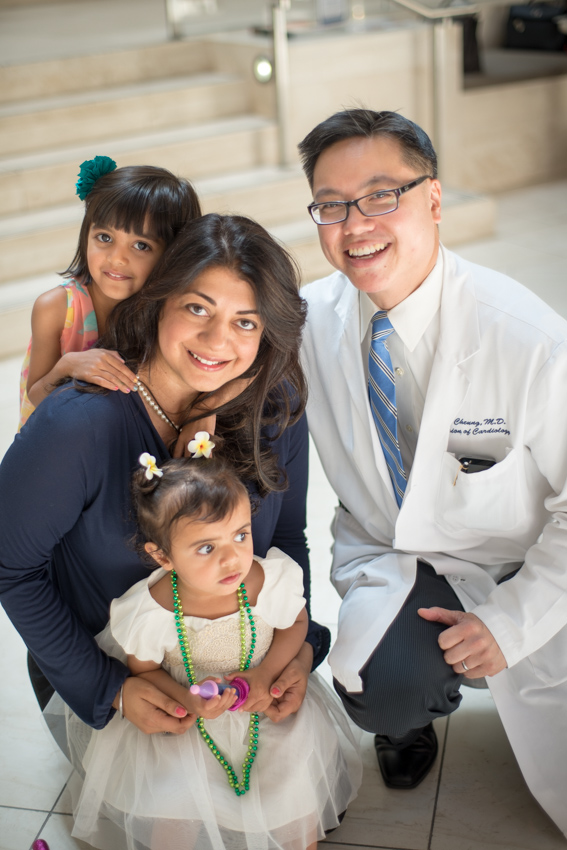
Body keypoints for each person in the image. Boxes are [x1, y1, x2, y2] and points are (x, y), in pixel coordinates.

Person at [298, 108, 567, 836]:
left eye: (382, 195)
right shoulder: (305, 322)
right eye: (331, 204)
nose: (356, 225)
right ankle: (405, 717)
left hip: (520, 564)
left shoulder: (525, 338)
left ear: (434, 199)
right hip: (395, 554)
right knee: (380, 683)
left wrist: (510, 622)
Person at [0, 212, 329, 739]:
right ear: (159, 300)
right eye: (197, 308)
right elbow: (9, 566)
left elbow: (287, 539)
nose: (216, 340)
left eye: (245, 321)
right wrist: (109, 687)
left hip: (245, 673)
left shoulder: (276, 402)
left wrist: (298, 647)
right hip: (110, 671)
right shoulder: (77, 424)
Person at [66, 451, 361, 850]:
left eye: (241, 534)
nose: (232, 557)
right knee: (175, 807)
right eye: (206, 548)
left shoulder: (264, 581)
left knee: (293, 793)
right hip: (190, 722)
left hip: (263, 709)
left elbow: (296, 624)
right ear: (163, 556)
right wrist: (188, 700)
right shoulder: (151, 609)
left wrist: (266, 672)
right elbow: (145, 672)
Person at [18, 155, 201, 429]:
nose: (117, 259)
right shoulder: (55, 308)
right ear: (86, 235)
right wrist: (68, 366)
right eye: (105, 238)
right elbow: (36, 395)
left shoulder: (170, 308)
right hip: (62, 437)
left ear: (172, 253)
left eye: (141, 245)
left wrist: (205, 412)